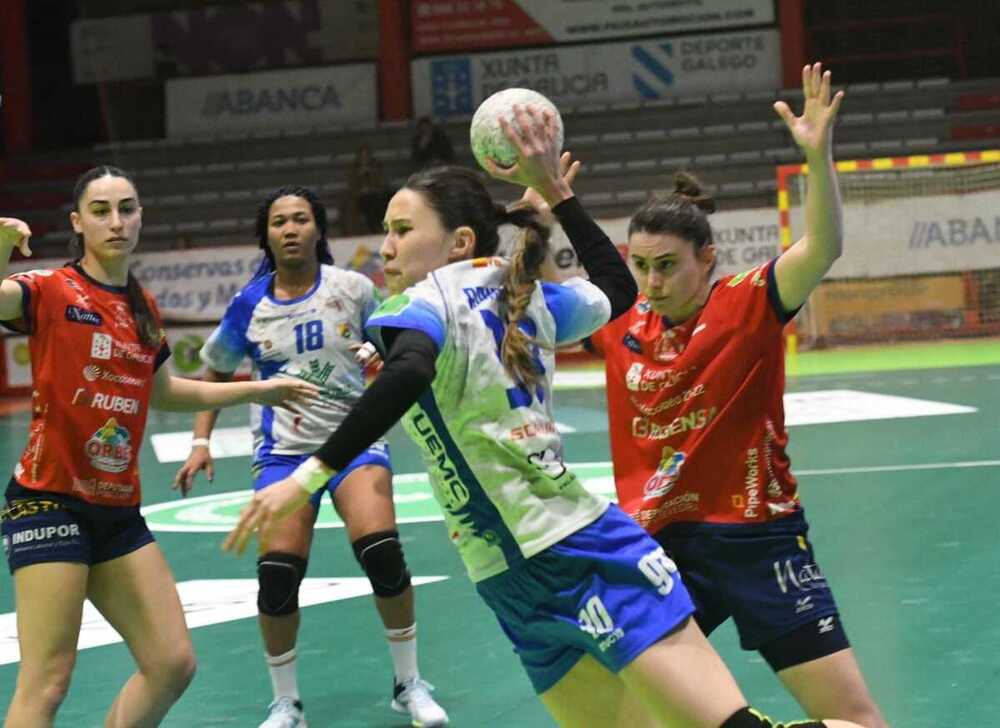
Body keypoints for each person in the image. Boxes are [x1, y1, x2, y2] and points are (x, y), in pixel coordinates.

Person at [222, 106, 865, 728]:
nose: (384, 248)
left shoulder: (418, 305)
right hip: (507, 571)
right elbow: (617, 288)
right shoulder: (525, 293)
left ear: (459, 241)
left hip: (577, 550)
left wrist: (306, 477)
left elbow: (412, 368)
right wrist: (560, 199)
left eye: (401, 230)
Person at [588, 64, 887, 727]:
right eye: (640, 266)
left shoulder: (746, 305)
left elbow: (824, 247)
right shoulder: (619, 325)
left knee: (860, 722)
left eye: (667, 266)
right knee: (619, 713)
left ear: (707, 260)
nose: (652, 281)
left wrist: (818, 156)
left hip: (759, 540)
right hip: (662, 548)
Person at [0, 167, 316, 728]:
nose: (116, 221)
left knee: (172, 662)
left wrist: (262, 387)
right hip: (49, 501)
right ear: (78, 223)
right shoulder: (50, 290)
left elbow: (164, 390)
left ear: (141, 216)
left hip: (116, 510)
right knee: (47, 681)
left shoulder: (140, 306)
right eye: (101, 210)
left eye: (127, 208)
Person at [172, 184, 449, 728]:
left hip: (354, 445)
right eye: (280, 222)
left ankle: (408, 683)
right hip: (282, 455)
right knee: (277, 574)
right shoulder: (249, 304)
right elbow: (217, 372)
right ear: (267, 235)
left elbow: (398, 338)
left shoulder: (352, 288)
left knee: (382, 553)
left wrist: (381, 346)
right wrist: (201, 442)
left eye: (302, 219)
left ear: (318, 230)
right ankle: (286, 703)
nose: (291, 229)